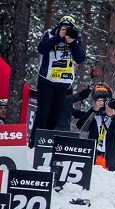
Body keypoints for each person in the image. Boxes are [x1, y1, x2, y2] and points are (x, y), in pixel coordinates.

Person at [31, 15, 86, 146]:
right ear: (59, 26)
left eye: (68, 28)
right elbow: (41, 49)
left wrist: (71, 41)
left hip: (63, 83)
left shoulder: (75, 39)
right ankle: (34, 142)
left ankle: (46, 142)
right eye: (63, 27)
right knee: (43, 113)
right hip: (47, 79)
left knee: (56, 115)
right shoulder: (50, 34)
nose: (66, 30)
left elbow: (80, 58)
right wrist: (57, 38)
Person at [76, 83, 115, 171]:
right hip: (94, 158)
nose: (103, 103)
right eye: (99, 100)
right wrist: (94, 110)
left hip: (113, 161)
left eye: (105, 100)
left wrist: (114, 116)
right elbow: (81, 127)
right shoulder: (94, 113)